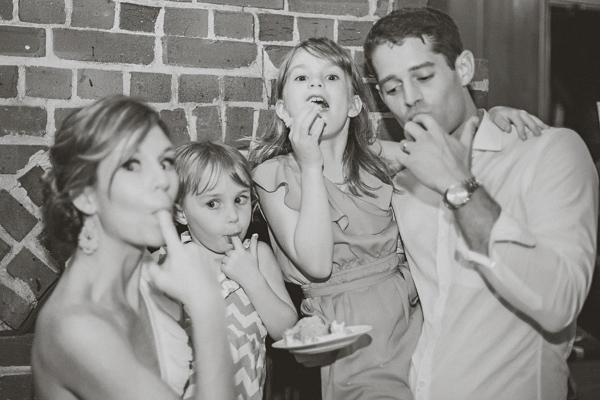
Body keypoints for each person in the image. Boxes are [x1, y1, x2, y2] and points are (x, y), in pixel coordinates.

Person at [363, 7, 599, 400]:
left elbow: (560, 303)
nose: (410, 99)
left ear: (465, 68)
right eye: (391, 88)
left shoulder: (549, 153)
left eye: (423, 76)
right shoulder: (403, 179)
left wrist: (458, 185)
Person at [31, 95, 235, 400]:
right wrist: (208, 305)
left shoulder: (152, 285)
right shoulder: (76, 327)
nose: (162, 181)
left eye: (165, 162)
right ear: (85, 195)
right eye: (131, 164)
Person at [172, 141, 298, 400]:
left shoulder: (257, 255)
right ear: (181, 212)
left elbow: (287, 331)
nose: (233, 216)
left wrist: (252, 280)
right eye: (212, 204)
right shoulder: (169, 263)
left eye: (240, 199)